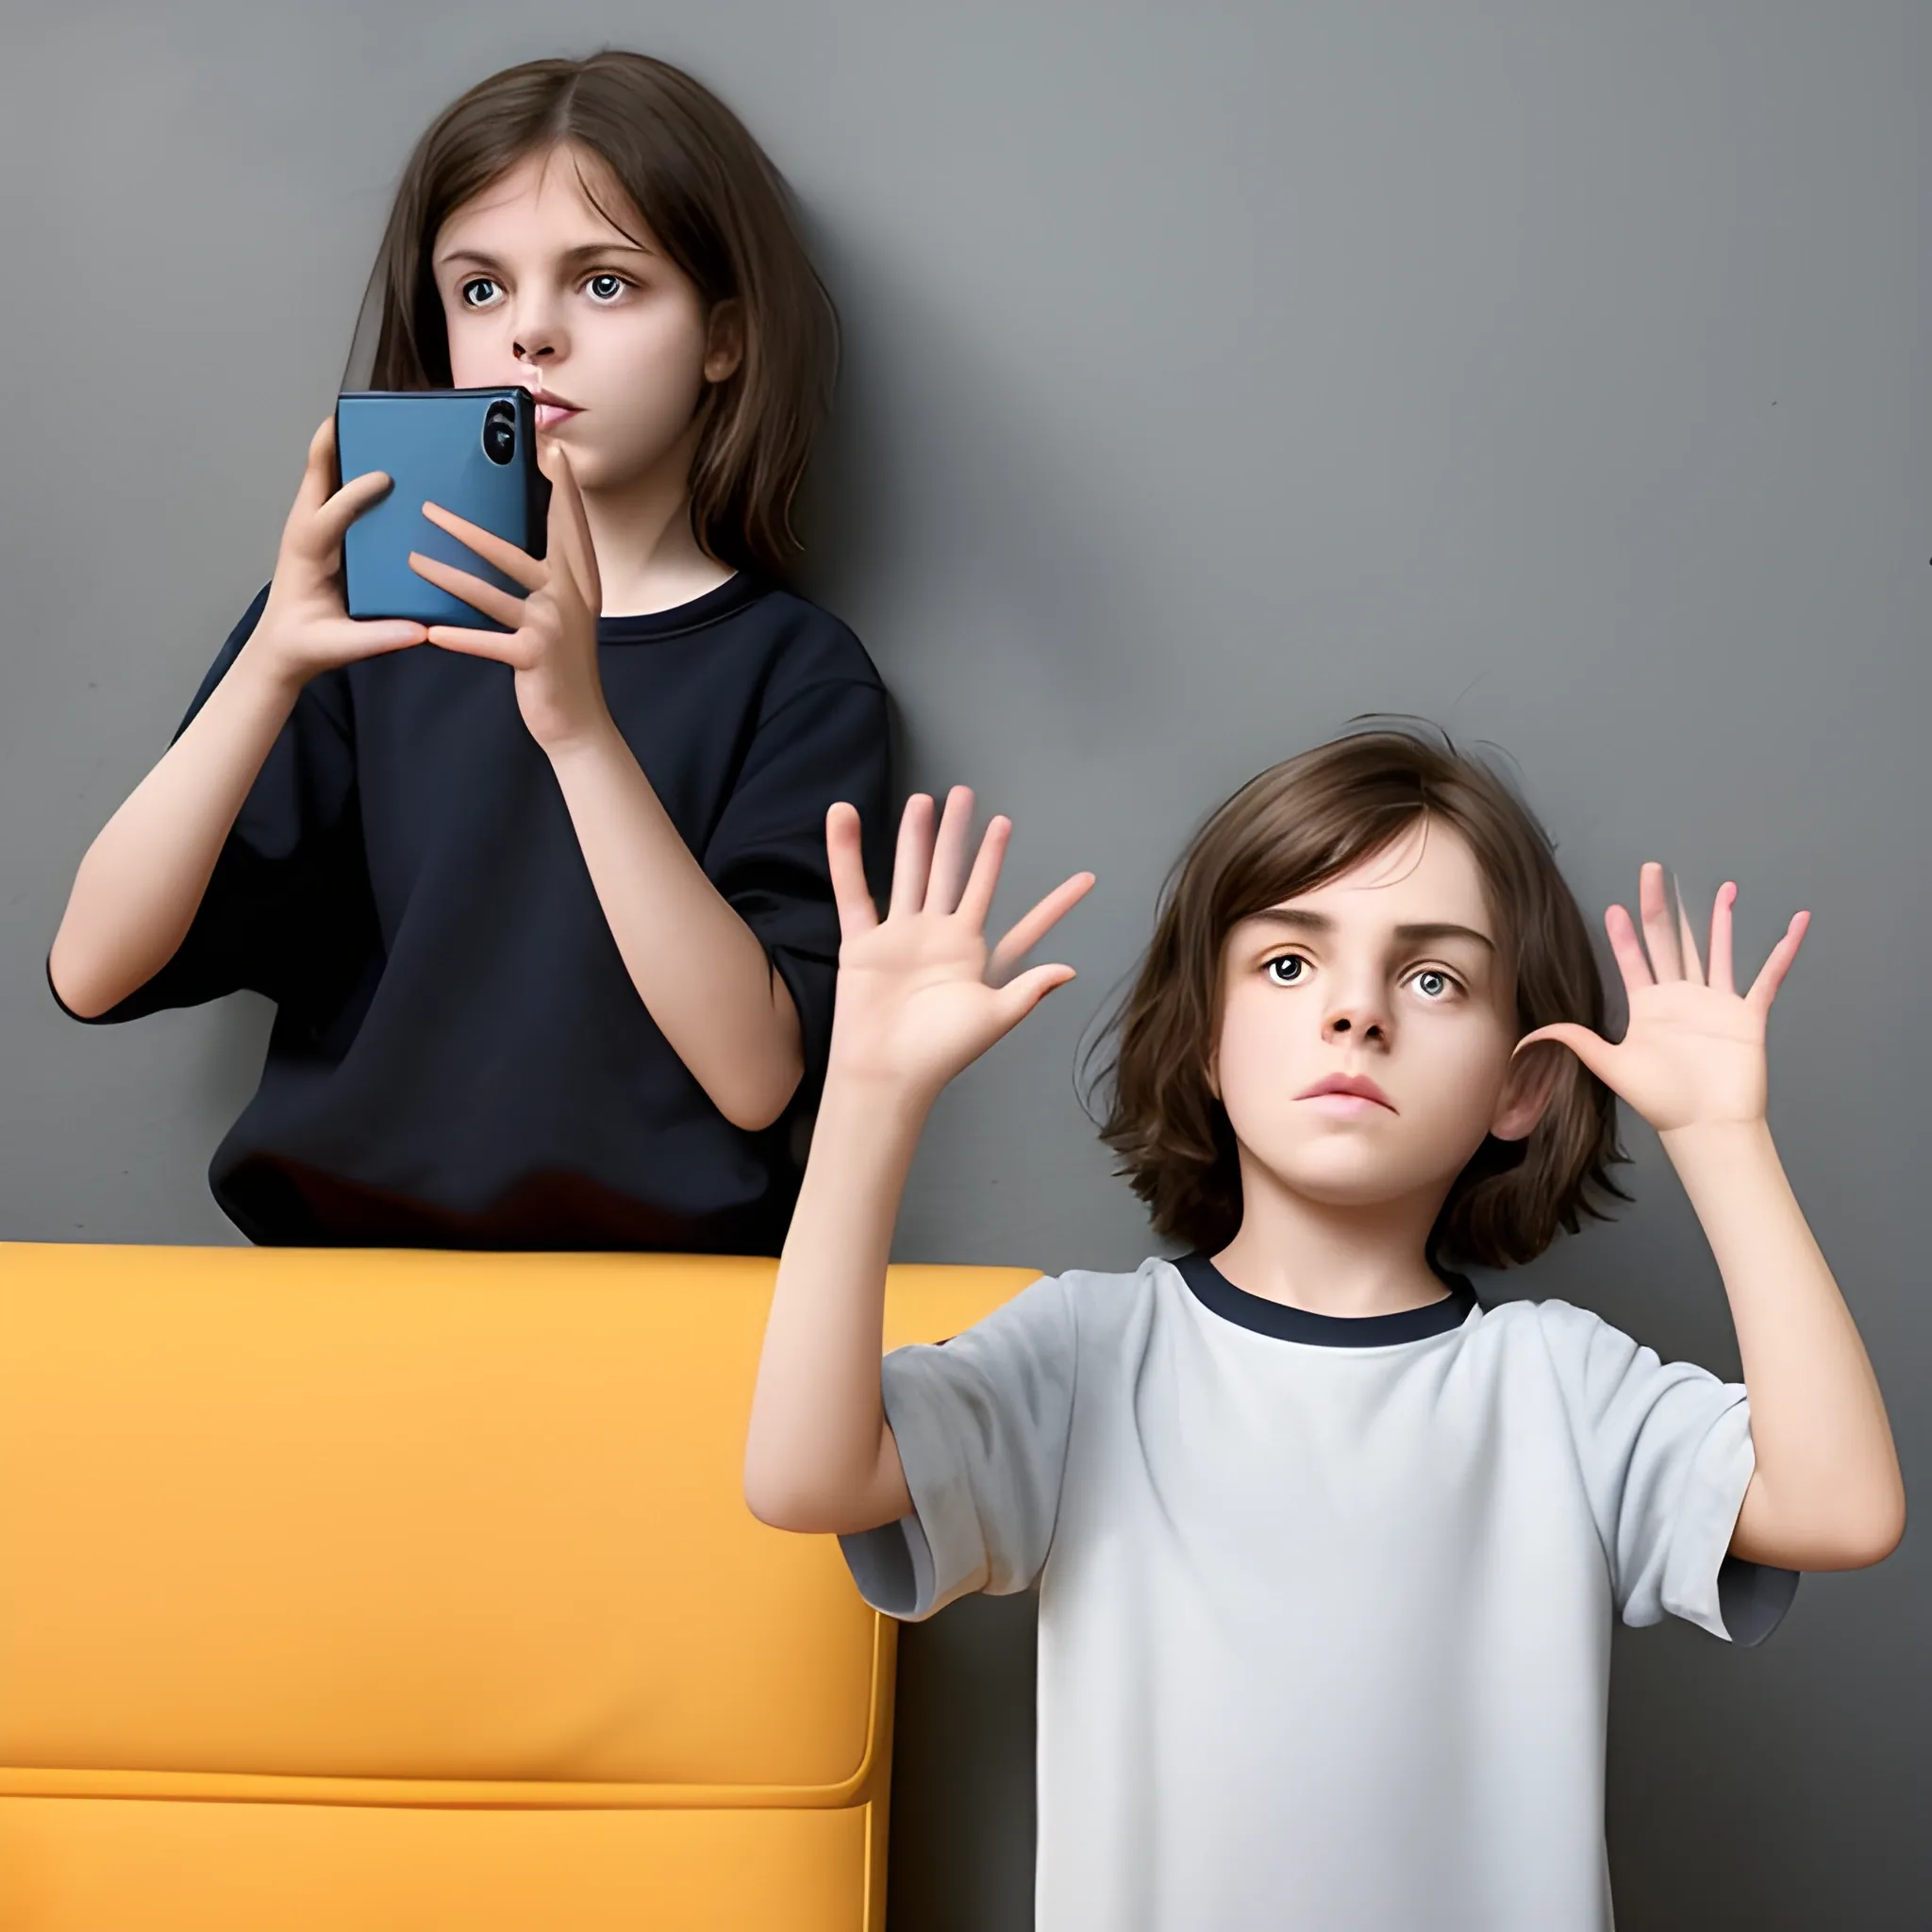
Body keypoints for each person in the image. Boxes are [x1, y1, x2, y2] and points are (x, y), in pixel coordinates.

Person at [742, 728, 1905, 1930]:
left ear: (1522, 1084)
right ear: (1205, 1035)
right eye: (1289, 964)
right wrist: (867, 1097)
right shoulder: (1089, 1353)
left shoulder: (1557, 1384)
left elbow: (1839, 1506)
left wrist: (1721, 1139)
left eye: (1432, 976)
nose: (1355, 1012)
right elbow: (801, 1474)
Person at [48, 52, 890, 1252]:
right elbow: (91, 970)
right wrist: (272, 661)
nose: (532, 334)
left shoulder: (795, 673)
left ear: (724, 339)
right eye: (480, 290)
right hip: (337, 1289)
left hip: (656, 1308)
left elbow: (757, 1075)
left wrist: (580, 726)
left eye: (605, 284)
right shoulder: (353, 632)